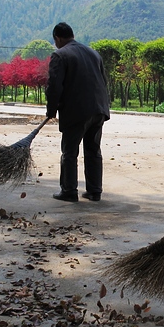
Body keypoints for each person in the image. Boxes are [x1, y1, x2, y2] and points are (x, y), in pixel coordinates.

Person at [45, 22, 111, 202]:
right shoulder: (93, 53)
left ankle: (69, 191)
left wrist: (51, 111)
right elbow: (103, 81)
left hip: (77, 111)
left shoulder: (60, 55)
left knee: (69, 151)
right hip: (99, 109)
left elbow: (54, 87)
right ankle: (94, 191)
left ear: (57, 38)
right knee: (93, 150)